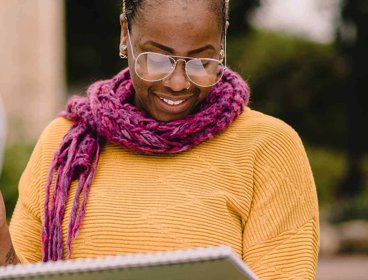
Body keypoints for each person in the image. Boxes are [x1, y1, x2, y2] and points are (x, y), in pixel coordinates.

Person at [0, 0, 320, 278]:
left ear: (221, 43)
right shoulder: (66, 145)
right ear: (126, 34)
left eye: (201, 61)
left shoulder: (267, 147)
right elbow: (26, 274)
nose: (179, 83)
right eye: (156, 59)